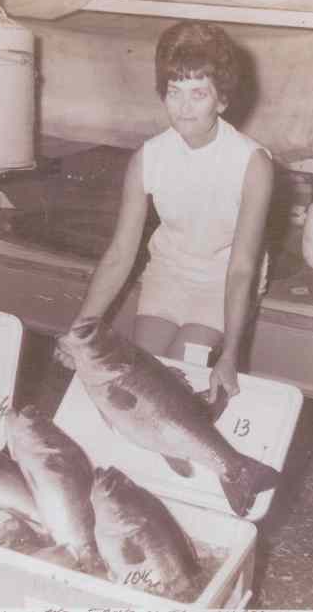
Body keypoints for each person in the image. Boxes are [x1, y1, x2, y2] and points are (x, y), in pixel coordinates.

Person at [58, 20, 274, 403]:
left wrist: (231, 354)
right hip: (169, 272)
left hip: (221, 280)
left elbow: (242, 267)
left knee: (180, 377)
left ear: (221, 100)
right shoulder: (149, 157)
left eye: (198, 93)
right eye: (174, 92)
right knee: (143, 377)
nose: (184, 107)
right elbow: (121, 254)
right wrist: (79, 330)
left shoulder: (252, 163)